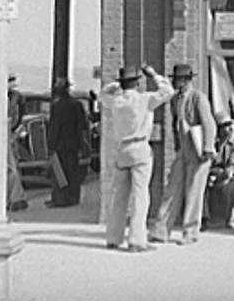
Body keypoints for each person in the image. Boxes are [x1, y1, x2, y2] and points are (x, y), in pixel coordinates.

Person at [101, 64, 174, 252]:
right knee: (140, 195)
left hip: (122, 148)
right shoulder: (145, 99)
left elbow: (103, 94)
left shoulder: (115, 101)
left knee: (119, 195)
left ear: (122, 83)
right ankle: (136, 240)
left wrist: (115, 86)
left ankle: (113, 237)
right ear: (137, 83)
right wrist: (154, 74)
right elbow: (168, 91)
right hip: (140, 146)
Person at [150, 64, 218, 245]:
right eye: (177, 80)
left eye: (182, 80)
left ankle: (190, 232)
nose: (179, 83)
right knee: (172, 187)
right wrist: (178, 145)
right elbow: (175, 123)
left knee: (194, 191)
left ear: (189, 80)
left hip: (199, 148)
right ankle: (161, 230)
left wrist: (208, 147)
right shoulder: (175, 99)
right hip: (184, 148)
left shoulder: (199, 98)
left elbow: (209, 124)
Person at [46, 76, 91, 207]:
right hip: (74, 145)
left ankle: (60, 199)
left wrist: (51, 144)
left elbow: (54, 127)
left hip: (60, 145)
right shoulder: (77, 105)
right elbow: (83, 125)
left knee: (60, 173)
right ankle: (73, 198)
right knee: (73, 172)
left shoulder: (57, 106)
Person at [203, 111, 234, 230]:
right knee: (200, 184)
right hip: (210, 172)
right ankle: (204, 218)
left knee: (232, 184)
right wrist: (211, 174)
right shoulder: (210, 141)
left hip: (226, 173)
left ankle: (229, 219)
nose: (230, 128)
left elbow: (233, 164)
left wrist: (225, 174)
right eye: (226, 125)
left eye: (231, 124)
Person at [6, 72, 28, 212]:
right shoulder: (10, 98)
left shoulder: (16, 97)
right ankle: (14, 198)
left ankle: (14, 197)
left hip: (10, 134)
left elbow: (18, 117)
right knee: (11, 168)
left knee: (13, 168)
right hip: (4, 134)